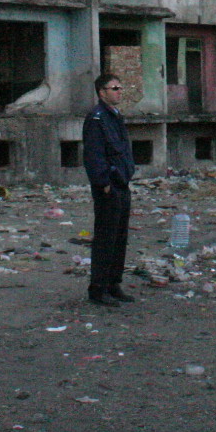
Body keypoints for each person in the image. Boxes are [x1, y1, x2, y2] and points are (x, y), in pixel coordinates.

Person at [81, 72, 135, 307]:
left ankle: (114, 283)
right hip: (109, 187)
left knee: (120, 237)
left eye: (120, 88)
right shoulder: (96, 119)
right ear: (102, 93)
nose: (119, 91)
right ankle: (98, 288)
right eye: (114, 88)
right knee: (105, 237)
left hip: (121, 184)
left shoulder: (115, 116)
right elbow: (94, 155)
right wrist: (103, 184)